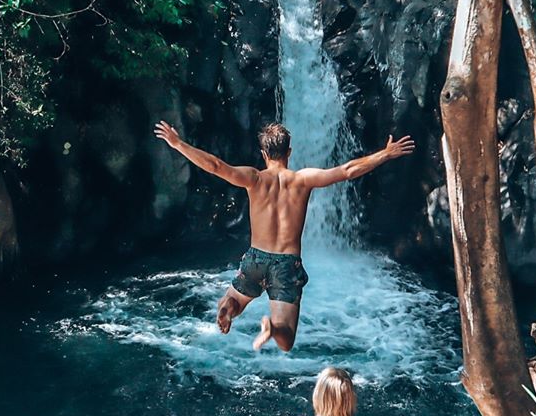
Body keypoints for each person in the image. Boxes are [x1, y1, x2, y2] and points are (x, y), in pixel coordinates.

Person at [153, 120, 413, 352]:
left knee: (234, 298)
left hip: (255, 258)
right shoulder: (302, 179)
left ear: (264, 153)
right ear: (289, 152)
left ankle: (229, 309)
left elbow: (215, 165)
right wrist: (385, 154)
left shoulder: (254, 178)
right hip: (287, 265)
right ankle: (272, 330)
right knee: (286, 341)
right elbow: (347, 170)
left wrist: (178, 144)